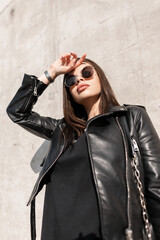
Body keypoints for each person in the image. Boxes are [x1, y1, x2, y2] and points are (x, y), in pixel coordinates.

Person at [6, 52, 160, 240]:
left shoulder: (130, 118)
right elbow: (18, 112)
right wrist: (52, 73)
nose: (79, 80)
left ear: (100, 78)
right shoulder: (62, 131)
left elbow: (155, 185)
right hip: (59, 231)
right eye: (71, 81)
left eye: (87, 73)